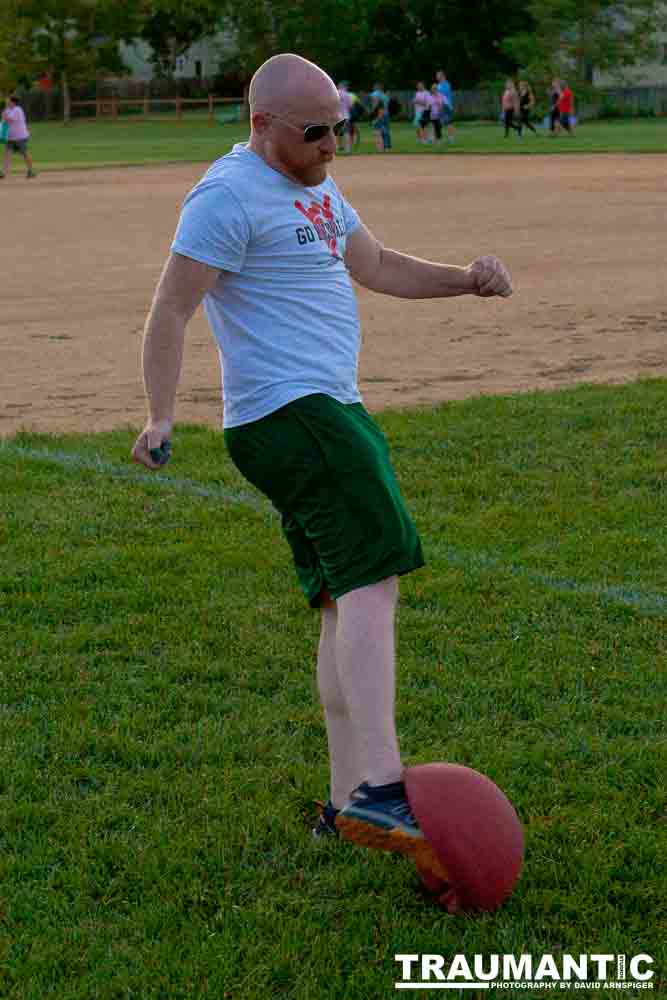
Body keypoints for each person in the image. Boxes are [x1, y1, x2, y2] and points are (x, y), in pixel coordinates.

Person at [131, 53, 512, 862]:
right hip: (294, 414)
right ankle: (379, 784)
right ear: (263, 125)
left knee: (345, 598)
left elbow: (373, 264)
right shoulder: (226, 196)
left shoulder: (316, 184)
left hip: (324, 409)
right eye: (316, 132)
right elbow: (169, 309)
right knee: (374, 578)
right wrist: (161, 415)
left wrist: (463, 282)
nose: (332, 144)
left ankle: (346, 802)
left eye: (337, 126)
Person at [0, 95, 36, 179]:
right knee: (7, 154)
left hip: (20, 136)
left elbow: (10, 119)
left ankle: (31, 170)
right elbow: (4, 121)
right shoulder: (7, 110)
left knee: (25, 153)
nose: (6, 101)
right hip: (10, 137)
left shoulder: (18, 110)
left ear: (13, 102)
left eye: (8, 100)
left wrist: (4, 116)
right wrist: (2, 133)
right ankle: (3, 172)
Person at [369, 81, 391, 150]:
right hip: (386, 114)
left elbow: (375, 105)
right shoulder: (385, 95)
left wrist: (373, 113)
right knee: (385, 131)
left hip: (379, 114)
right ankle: (387, 147)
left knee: (377, 132)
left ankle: (380, 148)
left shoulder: (375, 94)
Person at [435, 70, 456, 143]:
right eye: (436, 75)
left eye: (438, 75)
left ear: (442, 76)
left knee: (449, 123)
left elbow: (444, 96)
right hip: (440, 106)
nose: (436, 76)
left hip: (446, 106)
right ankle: (438, 138)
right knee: (439, 123)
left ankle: (451, 138)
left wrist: (441, 105)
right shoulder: (438, 85)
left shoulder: (446, 84)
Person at [336, 81, 353, 153]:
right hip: (346, 116)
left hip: (337, 116)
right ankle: (348, 149)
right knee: (347, 133)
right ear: (345, 87)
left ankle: (338, 148)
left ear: (339, 86)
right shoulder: (348, 95)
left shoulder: (335, 93)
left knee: (336, 133)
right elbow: (350, 106)